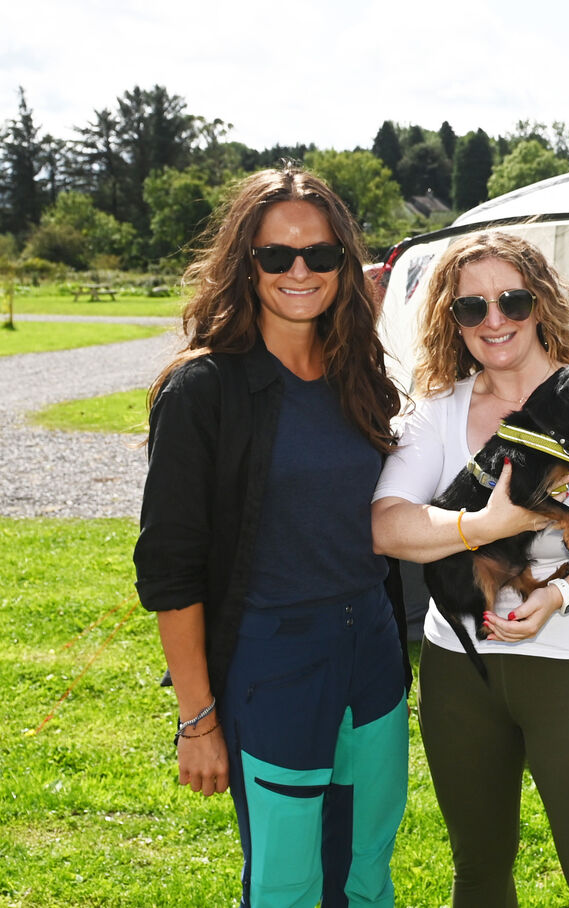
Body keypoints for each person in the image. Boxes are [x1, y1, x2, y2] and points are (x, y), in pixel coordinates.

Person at [372, 230, 569, 907]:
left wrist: (563, 591)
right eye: (471, 308)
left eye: (512, 300)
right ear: (450, 321)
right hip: (459, 671)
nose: (495, 321)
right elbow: (386, 525)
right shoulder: (438, 410)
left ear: (540, 303)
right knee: (479, 880)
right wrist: (482, 526)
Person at [133, 166, 411, 908]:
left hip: (374, 654)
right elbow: (169, 568)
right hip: (274, 662)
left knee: (365, 868)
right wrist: (198, 720)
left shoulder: (362, 373)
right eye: (276, 255)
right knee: (289, 882)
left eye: (320, 255)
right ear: (243, 262)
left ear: (345, 266)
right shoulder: (204, 390)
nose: (300, 272)